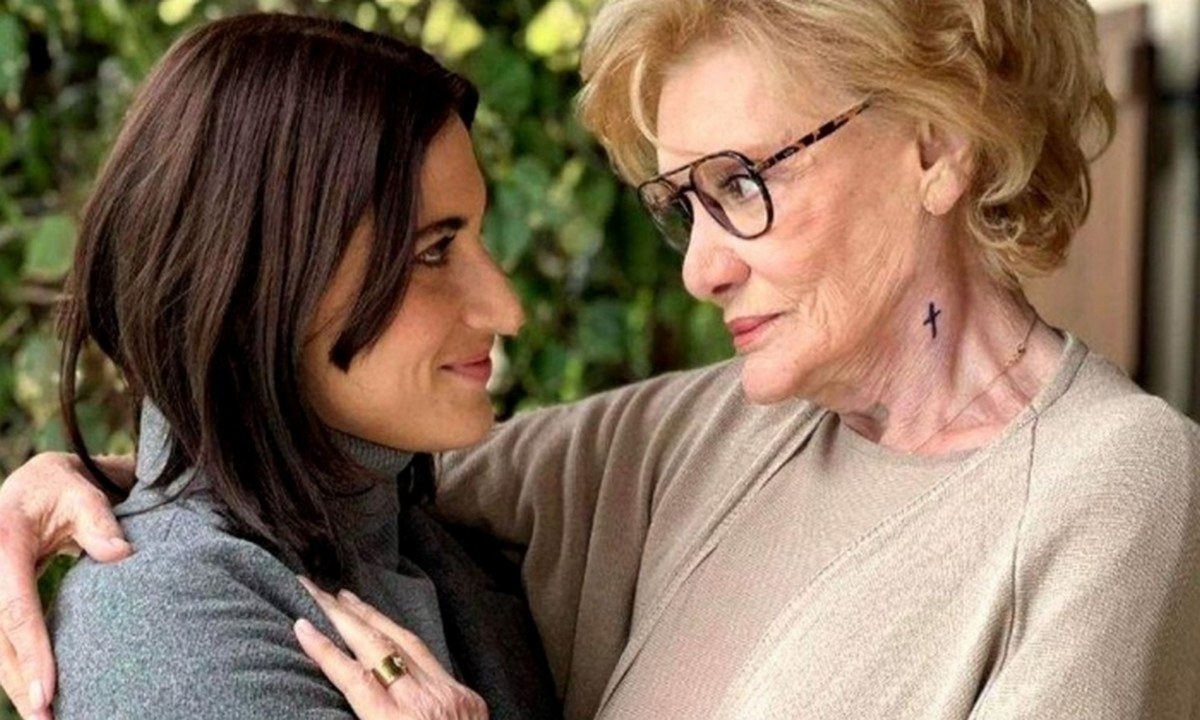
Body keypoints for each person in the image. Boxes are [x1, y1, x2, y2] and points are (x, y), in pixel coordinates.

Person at [4, 0, 1200, 718]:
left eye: (743, 183)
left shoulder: (1112, 485)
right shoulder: (691, 439)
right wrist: (84, 490)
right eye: (686, 204)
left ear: (934, 144)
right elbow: (324, 468)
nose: (701, 268)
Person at [0, 12, 562, 720]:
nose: (505, 308)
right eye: (431, 252)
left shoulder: (425, 532)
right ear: (256, 288)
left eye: (474, 237)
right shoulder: (177, 628)